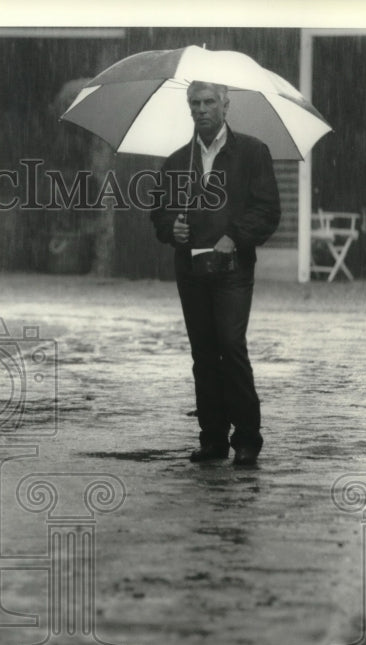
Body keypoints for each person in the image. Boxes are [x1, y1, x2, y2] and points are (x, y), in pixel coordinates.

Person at [151, 81, 280, 466]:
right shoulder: (177, 161)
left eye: (209, 102)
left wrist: (235, 238)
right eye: (195, 103)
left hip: (233, 268)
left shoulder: (253, 153)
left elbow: (267, 210)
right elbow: (158, 212)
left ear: (226, 105)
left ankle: (247, 439)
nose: (202, 109)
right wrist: (170, 227)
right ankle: (212, 439)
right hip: (191, 269)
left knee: (230, 345)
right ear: (188, 108)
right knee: (203, 353)